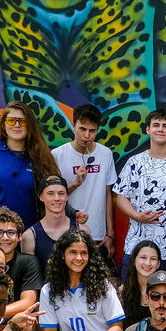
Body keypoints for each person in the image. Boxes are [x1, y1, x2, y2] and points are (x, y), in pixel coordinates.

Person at [0, 101, 61, 254]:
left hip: (23, 234)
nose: (17, 125)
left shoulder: (41, 157)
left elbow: (52, 193)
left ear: (30, 125)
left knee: (17, 277)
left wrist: (74, 212)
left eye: (22, 121)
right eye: (11, 120)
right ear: (4, 124)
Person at [113, 109, 166, 276]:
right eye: (156, 125)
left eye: (165, 126)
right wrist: (137, 216)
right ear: (147, 129)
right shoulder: (134, 161)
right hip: (137, 241)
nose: (160, 129)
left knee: (165, 295)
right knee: (133, 294)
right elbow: (121, 196)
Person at [51, 104, 117, 260]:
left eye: (92, 131)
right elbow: (52, 197)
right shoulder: (58, 155)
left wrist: (110, 233)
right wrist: (75, 183)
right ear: (73, 126)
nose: (86, 135)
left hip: (98, 235)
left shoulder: (105, 154)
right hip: (66, 232)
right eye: (82, 129)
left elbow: (108, 194)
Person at [21, 175, 86, 274]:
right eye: (50, 194)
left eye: (61, 193)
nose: (56, 198)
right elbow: (30, 278)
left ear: (67, 197)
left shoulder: (83, 231)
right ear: (41, 197)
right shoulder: (30, 236)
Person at [119, 240, 162, 330]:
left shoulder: (165, 293)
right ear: (134, 260)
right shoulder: (123, 291)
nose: (147, 263)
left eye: (153, 259)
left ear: (158, 264)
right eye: (143, 257)